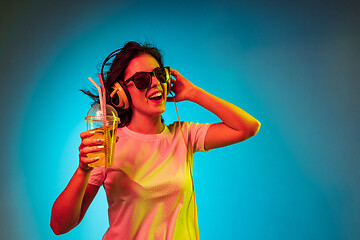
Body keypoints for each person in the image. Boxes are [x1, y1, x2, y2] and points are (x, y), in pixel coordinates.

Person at [50, 41, 260, 239]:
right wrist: (83, 171)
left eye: (159, 74)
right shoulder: (108, 144)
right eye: (142, 79)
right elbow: (60, 226)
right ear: (122, 93)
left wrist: (193, 93)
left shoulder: (184, 135)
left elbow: (248, 127)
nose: (156, 83)